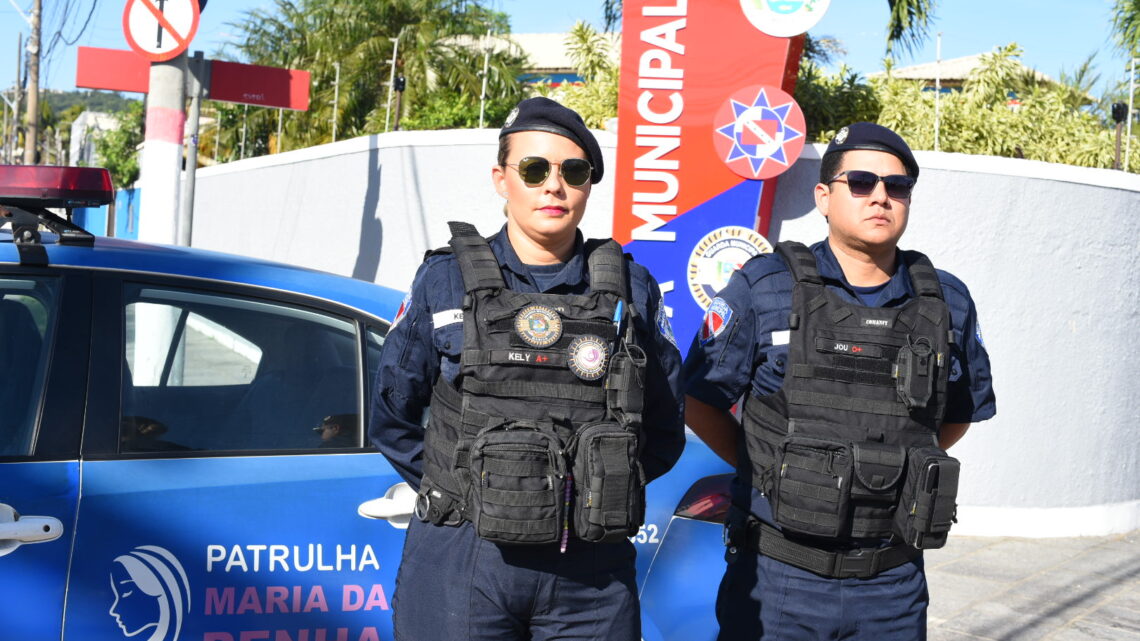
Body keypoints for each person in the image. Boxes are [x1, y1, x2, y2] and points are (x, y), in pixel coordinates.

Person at [369, 97, 685, 641]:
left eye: (574, 172)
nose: (553, 186)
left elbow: (663, 427)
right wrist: (473, 491)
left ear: (589, 185)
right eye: (535, 169)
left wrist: (592, 489)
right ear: (502, 179)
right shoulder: (444, 280)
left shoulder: (631, 289)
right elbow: (392, 414)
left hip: (588, 566)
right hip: (464, 552)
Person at [683, 122, 996, 640]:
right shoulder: (765, 286)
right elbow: (699, 400)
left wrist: (892, 468)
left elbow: (959, 414)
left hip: (892, 582)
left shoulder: (947, 302)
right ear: (824, 197)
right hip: (778, 578)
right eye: (861, 182)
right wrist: (767, 469)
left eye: (897, 186)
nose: (880, 196)